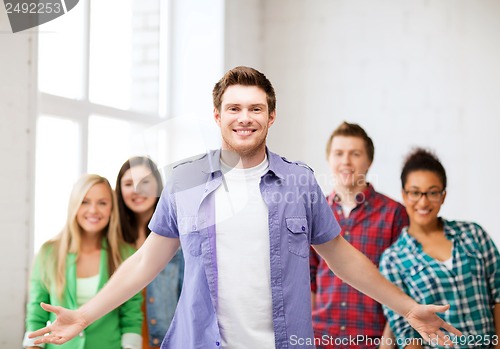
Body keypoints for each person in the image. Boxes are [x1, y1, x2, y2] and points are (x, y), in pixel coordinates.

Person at [29, 66, 461, 349]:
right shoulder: (184, 180)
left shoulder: (299, 181)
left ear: (272, 116)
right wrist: (84, 315)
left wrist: (407, 307)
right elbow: (145, 263)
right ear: (217, 115)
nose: (245, 117)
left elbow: (343, 257)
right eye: (234, 107)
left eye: (256, 108)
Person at [380, 148, 500, 349]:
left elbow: (499, 293)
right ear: (404, 195)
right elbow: (406, 333)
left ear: (443, 195)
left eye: (433, 192)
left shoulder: (473, 234)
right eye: (415, 192)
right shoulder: (393, 260)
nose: (424, 201)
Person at [310, 121, 409, 349]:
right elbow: (309, 280)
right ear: (329, 159)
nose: (346, 161)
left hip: (372, 340)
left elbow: (401, 283)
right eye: (339, 153)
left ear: (369, 161)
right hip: (322, 339)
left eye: (355, 154)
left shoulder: (394, 214)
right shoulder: (315, 211)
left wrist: (387, 344)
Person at [23, 174, 142, 349]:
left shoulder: (125, 254)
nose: (93, 210)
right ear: (74, 206)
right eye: (85, 202)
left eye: (102, 203)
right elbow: (36, 314)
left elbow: (131, 316)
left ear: (112, 209)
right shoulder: (48, 253)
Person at [115, 156, 184, 348]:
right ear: (119, 190)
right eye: (129, 183)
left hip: (164, 341)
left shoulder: (176, 240)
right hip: (122, 341)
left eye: (145, 182)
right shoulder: (113, 240)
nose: (137, 190)